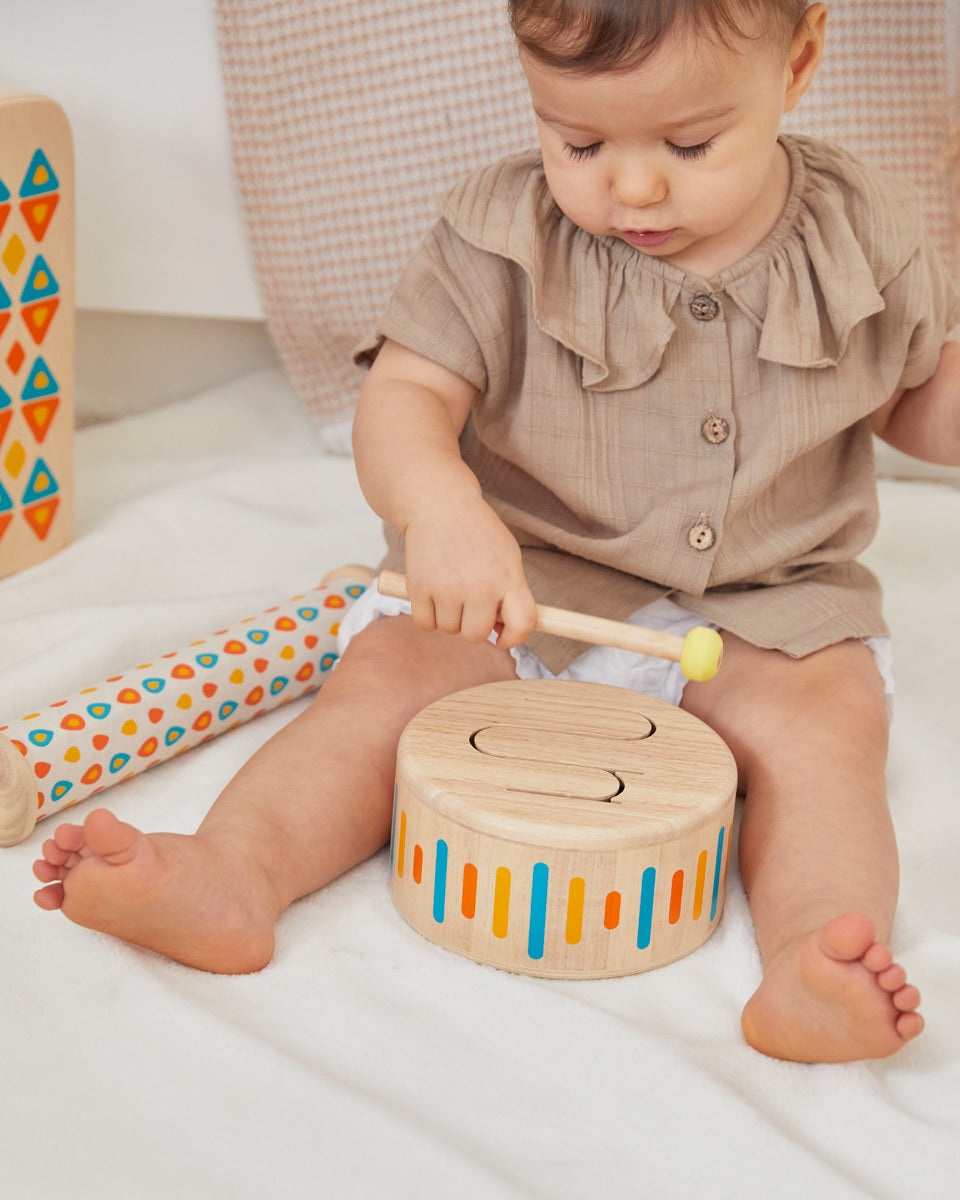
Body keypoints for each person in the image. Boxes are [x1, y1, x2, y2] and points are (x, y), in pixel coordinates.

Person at [32, 0, 959, 1063]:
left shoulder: (864, 228)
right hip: (520, 583)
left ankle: (812, 961)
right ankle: (233, 875)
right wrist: (441, 514)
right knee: (382, 688)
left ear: (798, 63)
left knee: (827, 734)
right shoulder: (498, 235)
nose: (635, 186)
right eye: (580, 141)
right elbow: (407, 398)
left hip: (770, 597)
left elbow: (915, 399)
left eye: (691, 144)